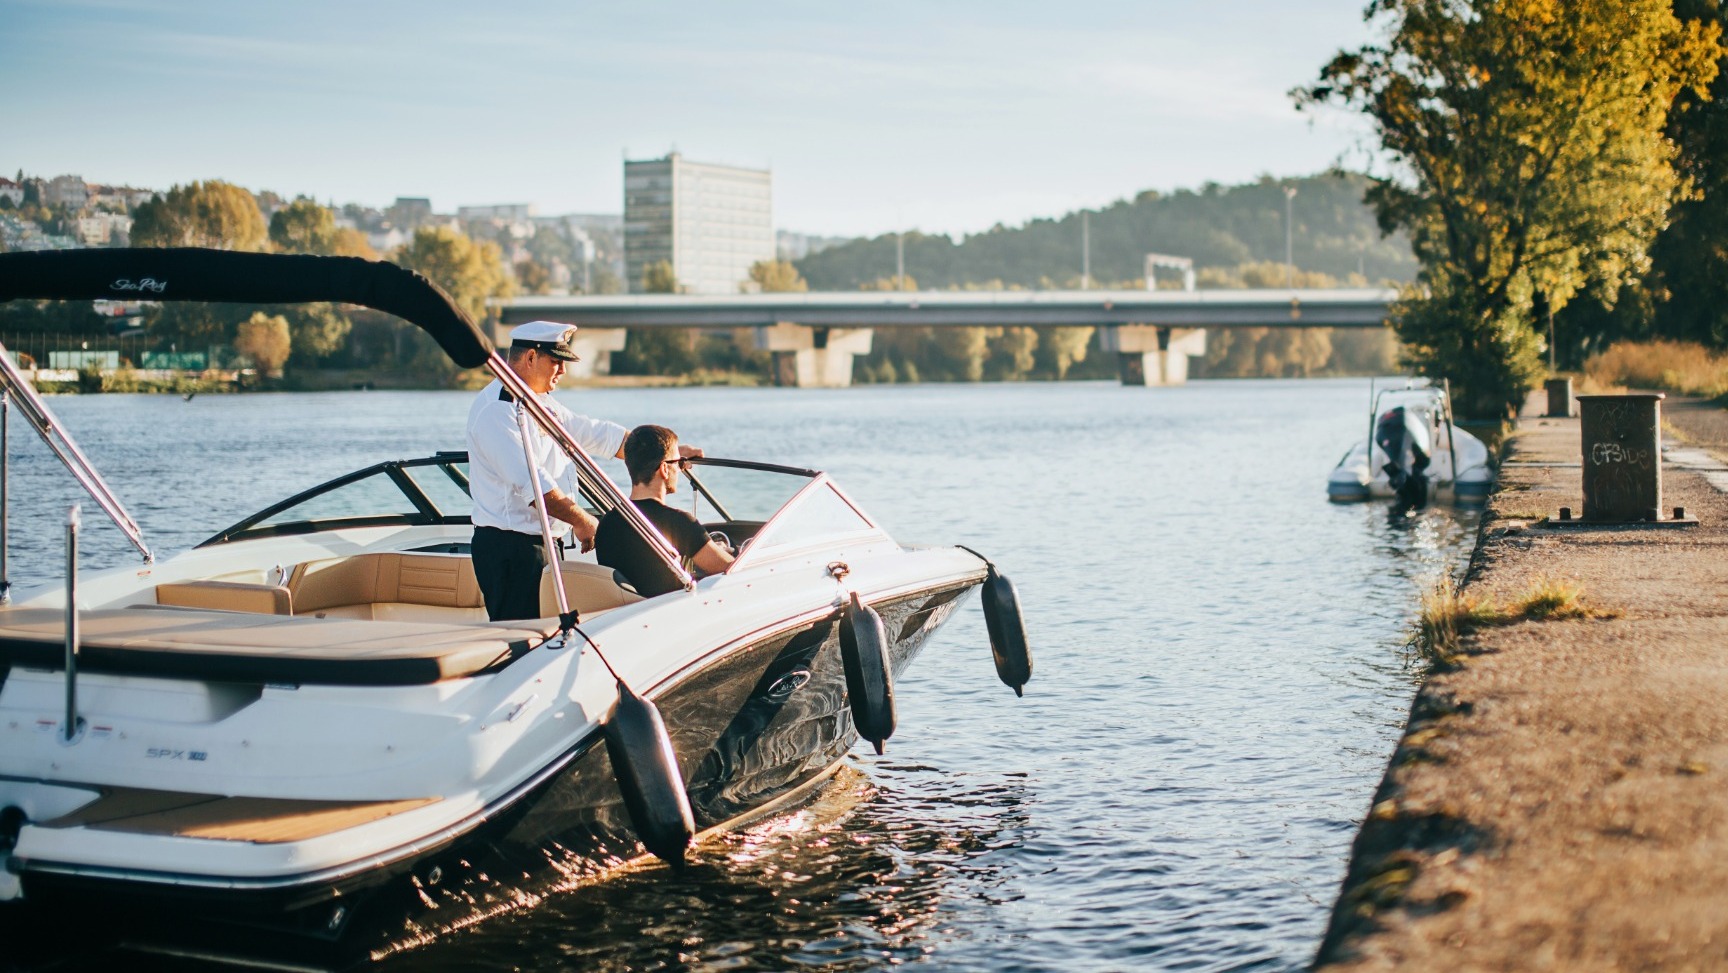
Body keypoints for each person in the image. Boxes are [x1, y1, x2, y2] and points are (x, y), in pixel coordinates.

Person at [467, 321, 697, 621]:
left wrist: (667, 454)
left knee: (550, 633)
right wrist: (584, 520)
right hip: (511, 550)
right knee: (524, 637)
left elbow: (596, 434)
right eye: (556, 361)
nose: (563, 371)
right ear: (531, 357)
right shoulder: (497, 411)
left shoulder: (539, 402)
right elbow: (535, 487)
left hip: (543, 543)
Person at [595, 424, 734, 598]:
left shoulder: (606, 525)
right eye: (678, 463)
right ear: (664, 469)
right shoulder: (680, 523)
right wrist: (719, 550)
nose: (680, 469)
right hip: (670, 610)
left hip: (630, 610)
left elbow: (644, 569)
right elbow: (732, 571)